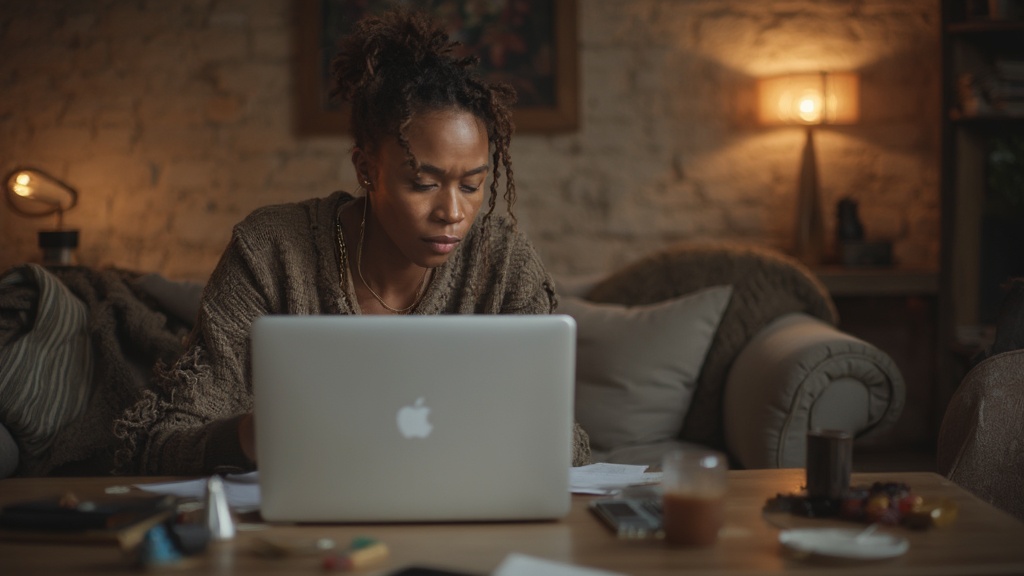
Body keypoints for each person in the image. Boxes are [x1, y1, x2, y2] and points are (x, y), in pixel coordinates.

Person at [113, 7, 591, 474]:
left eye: (471, 185)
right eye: (423, 183)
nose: (453, 212)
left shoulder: (503, 262)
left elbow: (565, 443)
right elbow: (155, 443)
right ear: (367, 170)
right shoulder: (271, 251)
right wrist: (255, 436)